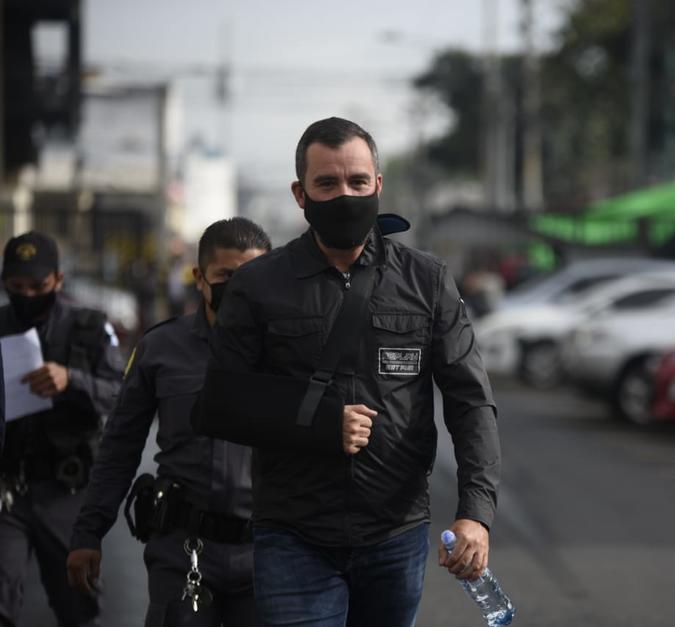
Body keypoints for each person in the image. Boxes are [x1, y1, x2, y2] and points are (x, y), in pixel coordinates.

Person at [194, 117, 502, 627]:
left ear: (378, 185)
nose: (346, 195)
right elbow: (220, 404)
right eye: (327, 184)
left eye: (358, 182)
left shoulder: (427, 281)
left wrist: (476, 512)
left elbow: (472, 403)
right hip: (293, 535)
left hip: (395, 534)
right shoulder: (257, 285)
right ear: (300, 193)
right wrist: (317, 423)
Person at [67, 218, 272, 626]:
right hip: (182, 552)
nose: (238, 287)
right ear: (200, 278)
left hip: (268, 555)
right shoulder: (160, 348)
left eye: (250, 276)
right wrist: (88, 533)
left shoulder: (289, 348)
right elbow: (120, 445)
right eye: (225, 276)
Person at [0, 231, 123, 627]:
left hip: (66, 489)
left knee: (78, 604)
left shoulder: (89, 327)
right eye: (17, 287)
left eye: (38, 286)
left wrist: (71, 381)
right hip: (8, 489)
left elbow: (122, 397)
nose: (28, 296)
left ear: (58, 280)